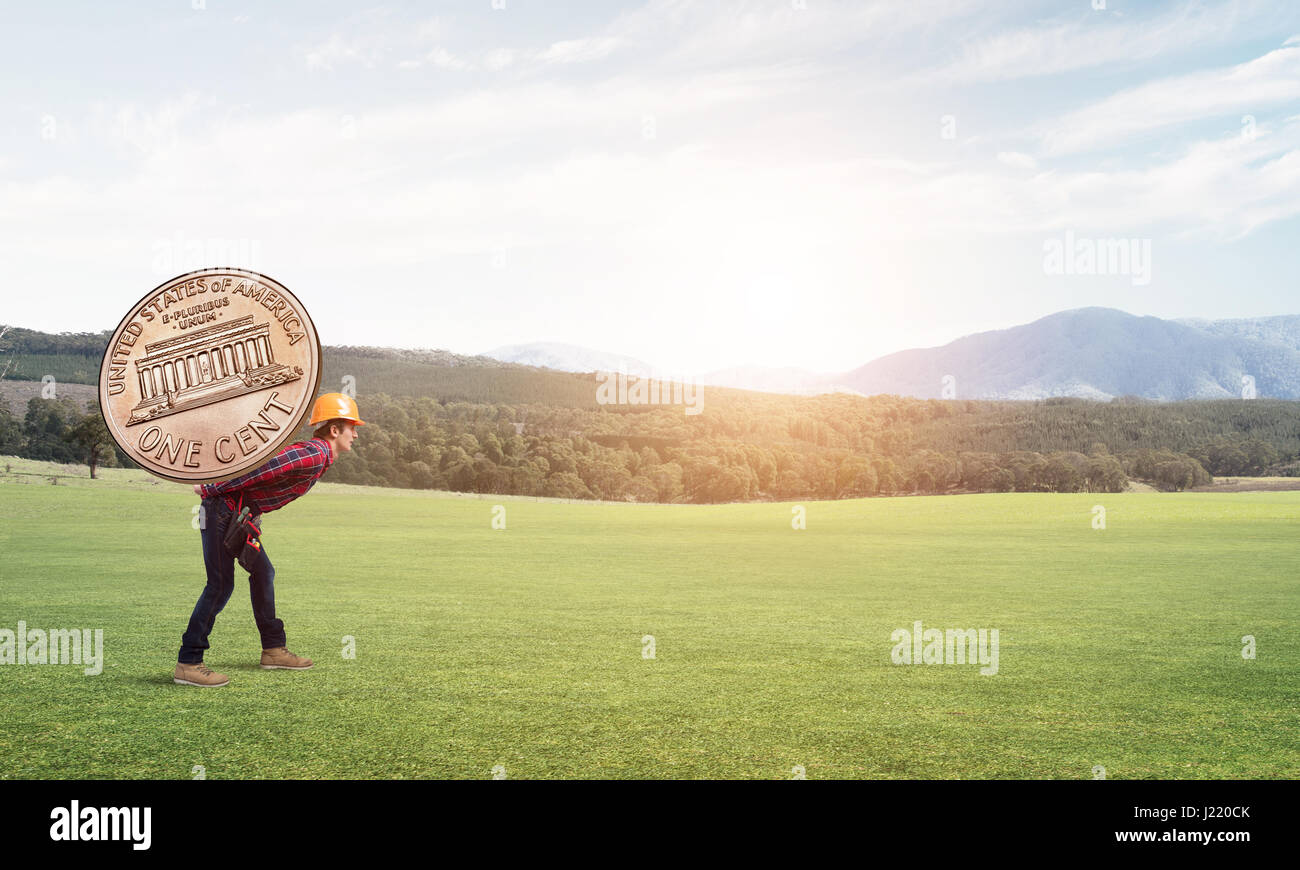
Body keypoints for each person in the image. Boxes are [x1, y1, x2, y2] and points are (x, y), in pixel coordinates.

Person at [173, 393, 364, 688]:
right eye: (352, 426)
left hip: (237, 514)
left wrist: (253, 516)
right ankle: (188, 662)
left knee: (263, 573)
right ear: (335, 430)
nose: (355, 433)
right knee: (220, 585)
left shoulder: (320, 457)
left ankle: (273, 650)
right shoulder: (314, 453)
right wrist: (213, 487)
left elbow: (266, 480)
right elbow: (264, 468)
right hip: (222, 510)